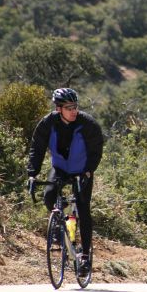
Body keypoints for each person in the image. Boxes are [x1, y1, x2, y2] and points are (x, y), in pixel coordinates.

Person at [27, 88, 104, 278]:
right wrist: (32, 174)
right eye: (69, 107)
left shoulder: (88, 124)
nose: (74, 111)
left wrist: (88, 171)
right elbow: (37, 148)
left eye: (75, 107)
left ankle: (85, 256)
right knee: (49, 196)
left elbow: (96, 151)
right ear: (58, 108)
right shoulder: (47, 123)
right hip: (60, 168)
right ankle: (58, 226)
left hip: (82, 170)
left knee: (83, 208)